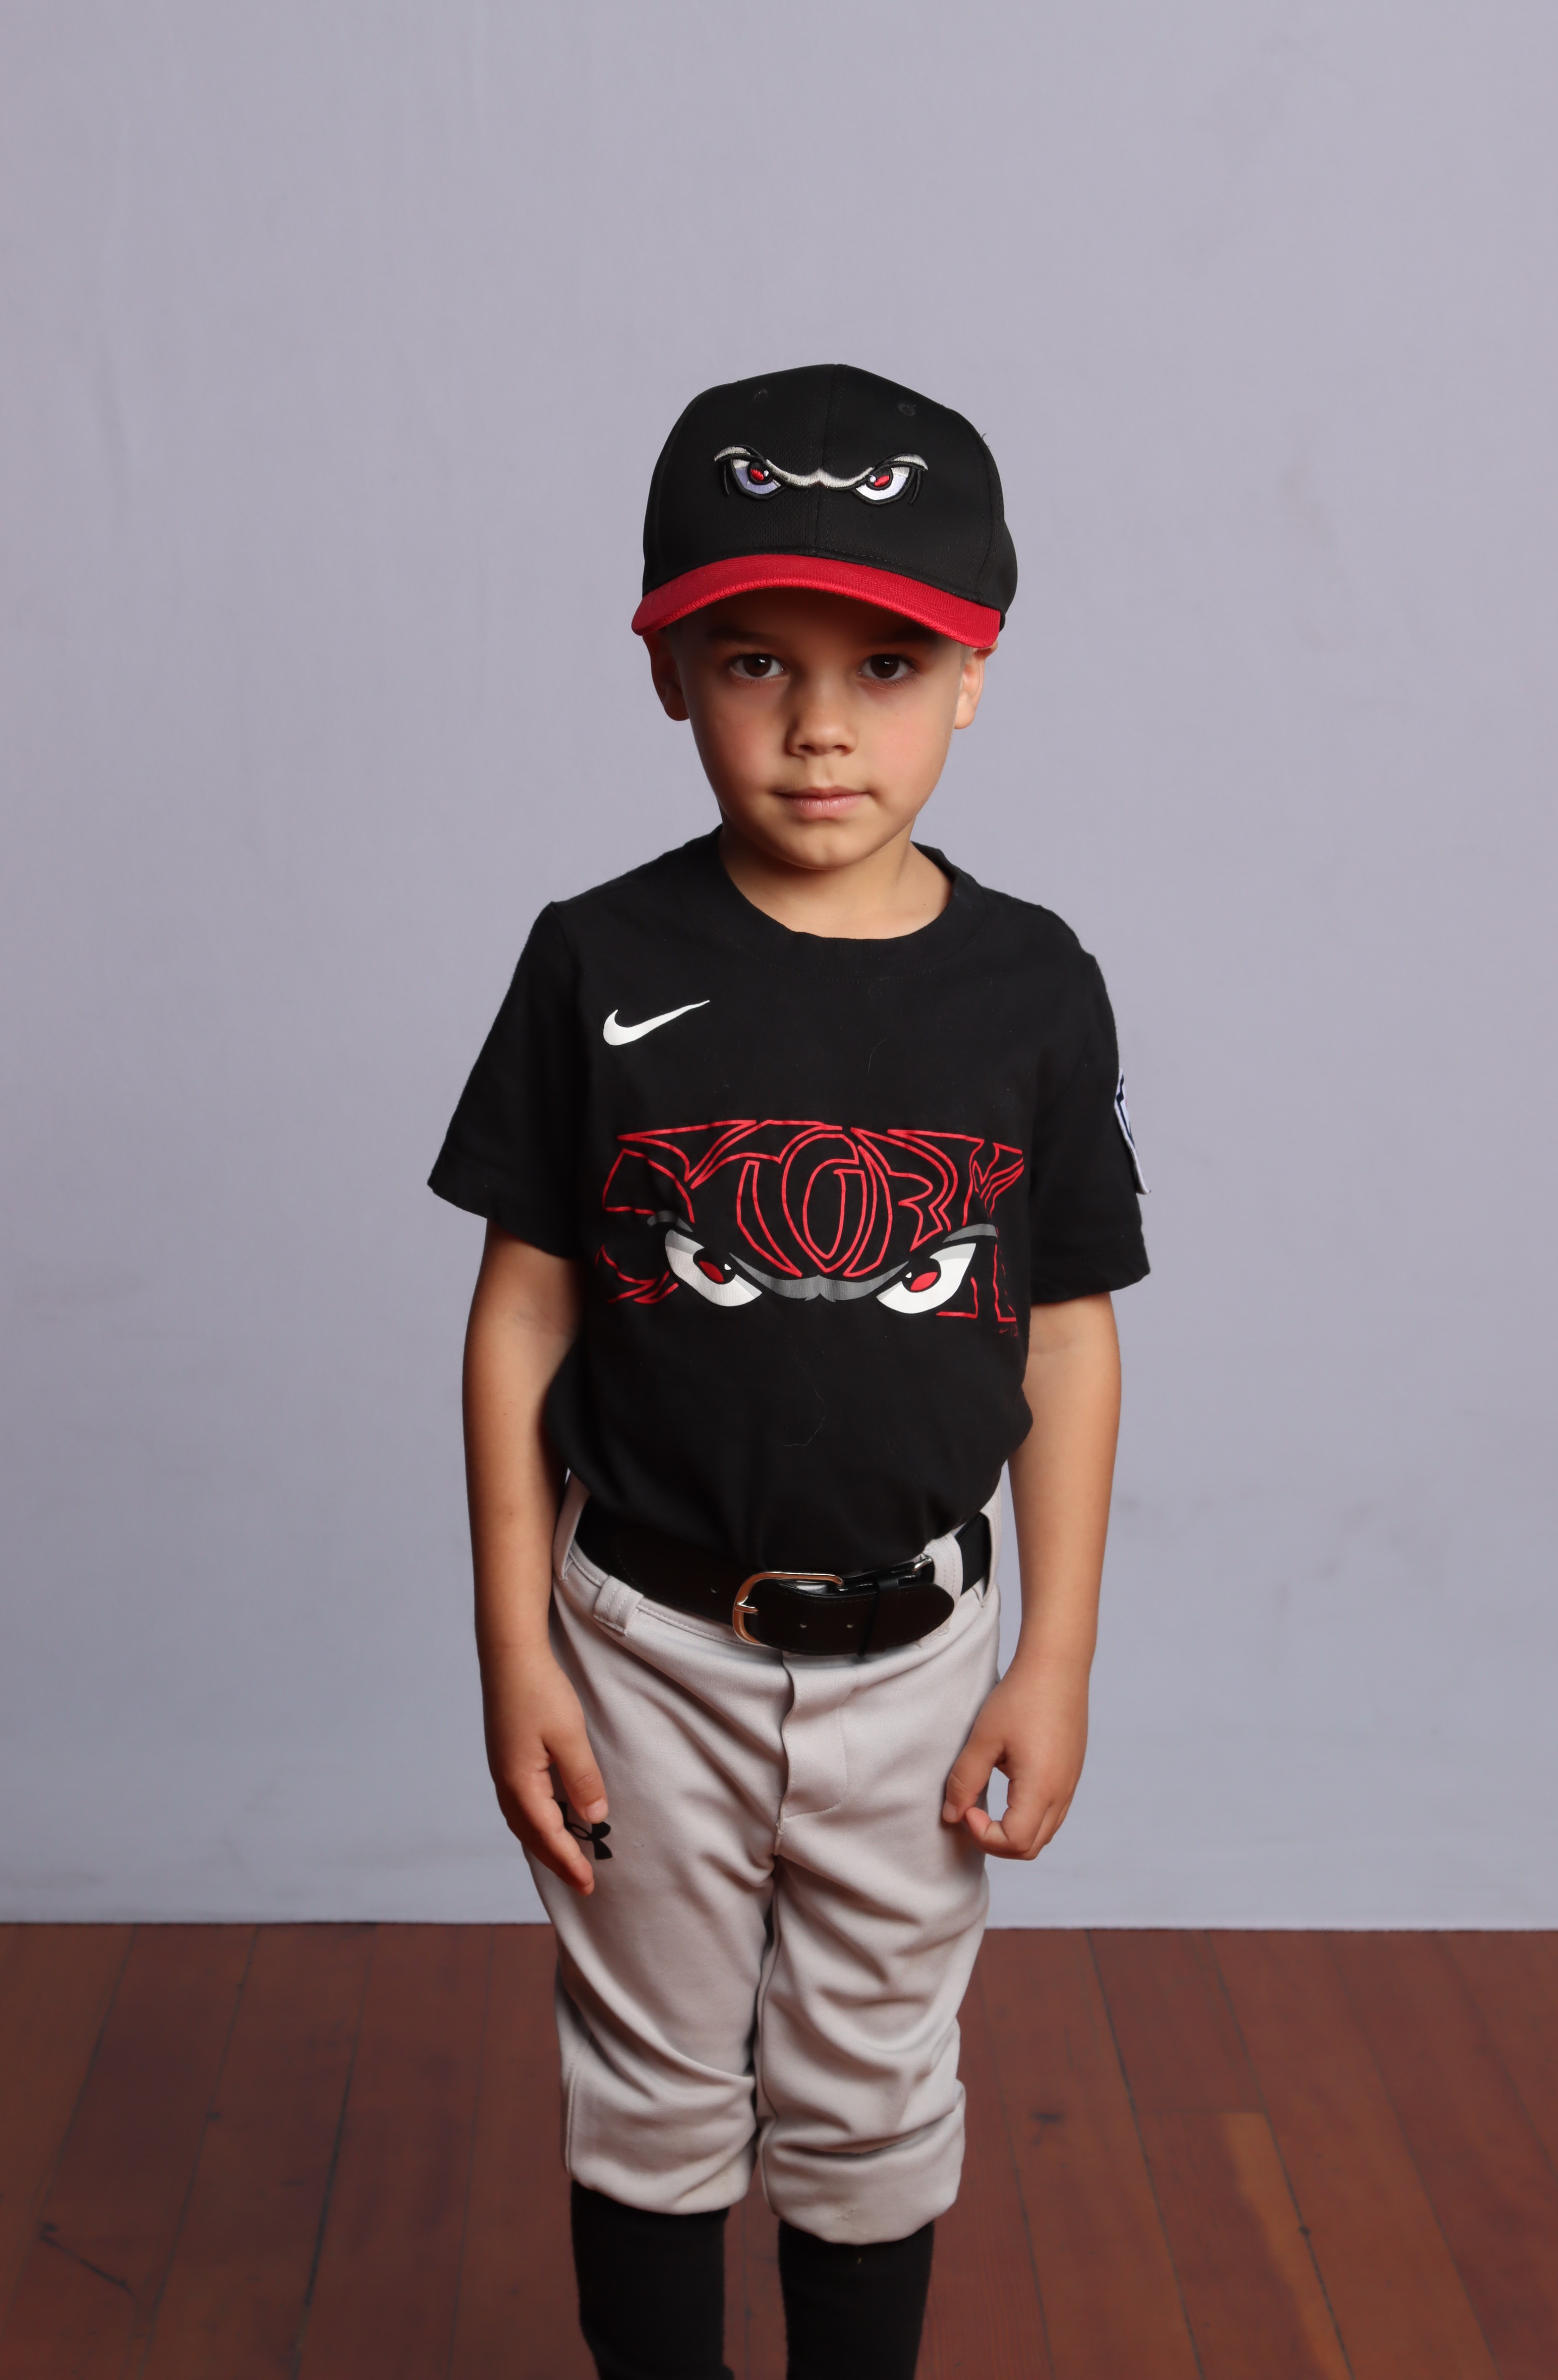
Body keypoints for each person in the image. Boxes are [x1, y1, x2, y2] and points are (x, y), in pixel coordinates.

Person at [430, 362, 1149, 2380]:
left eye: (886, 665)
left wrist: (1057, 1657)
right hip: (641, 1644)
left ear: (974, 676)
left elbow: (1067, 1331)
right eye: (756, 660)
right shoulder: (596, 958)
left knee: (871, 2103)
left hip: (920, 1661)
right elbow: (520, 1314)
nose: (821, 725)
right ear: (667, 670)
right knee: (651, 2093)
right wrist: (512, 1645)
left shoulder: (1032, 984)